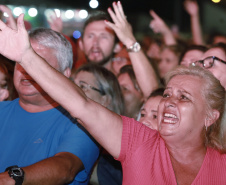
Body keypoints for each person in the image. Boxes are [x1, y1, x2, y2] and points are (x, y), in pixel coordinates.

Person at [3, 2, 226, 185]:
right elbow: (83, 105)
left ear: (210, 116)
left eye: (183, 97)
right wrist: (26, 57)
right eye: (166, 94)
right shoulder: (139, 142)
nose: (168, 103)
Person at [0, 28, 99, 185]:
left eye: (37, 63)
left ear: (64, 74)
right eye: (21, 61)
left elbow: (65, 168)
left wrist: (10, 179)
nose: (26, 70)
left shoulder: (83, 122)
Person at [71, 63, 124, 185]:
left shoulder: (114, 158)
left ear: (105, 100)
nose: (73, 90)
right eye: (72, 83)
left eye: (83, 86)